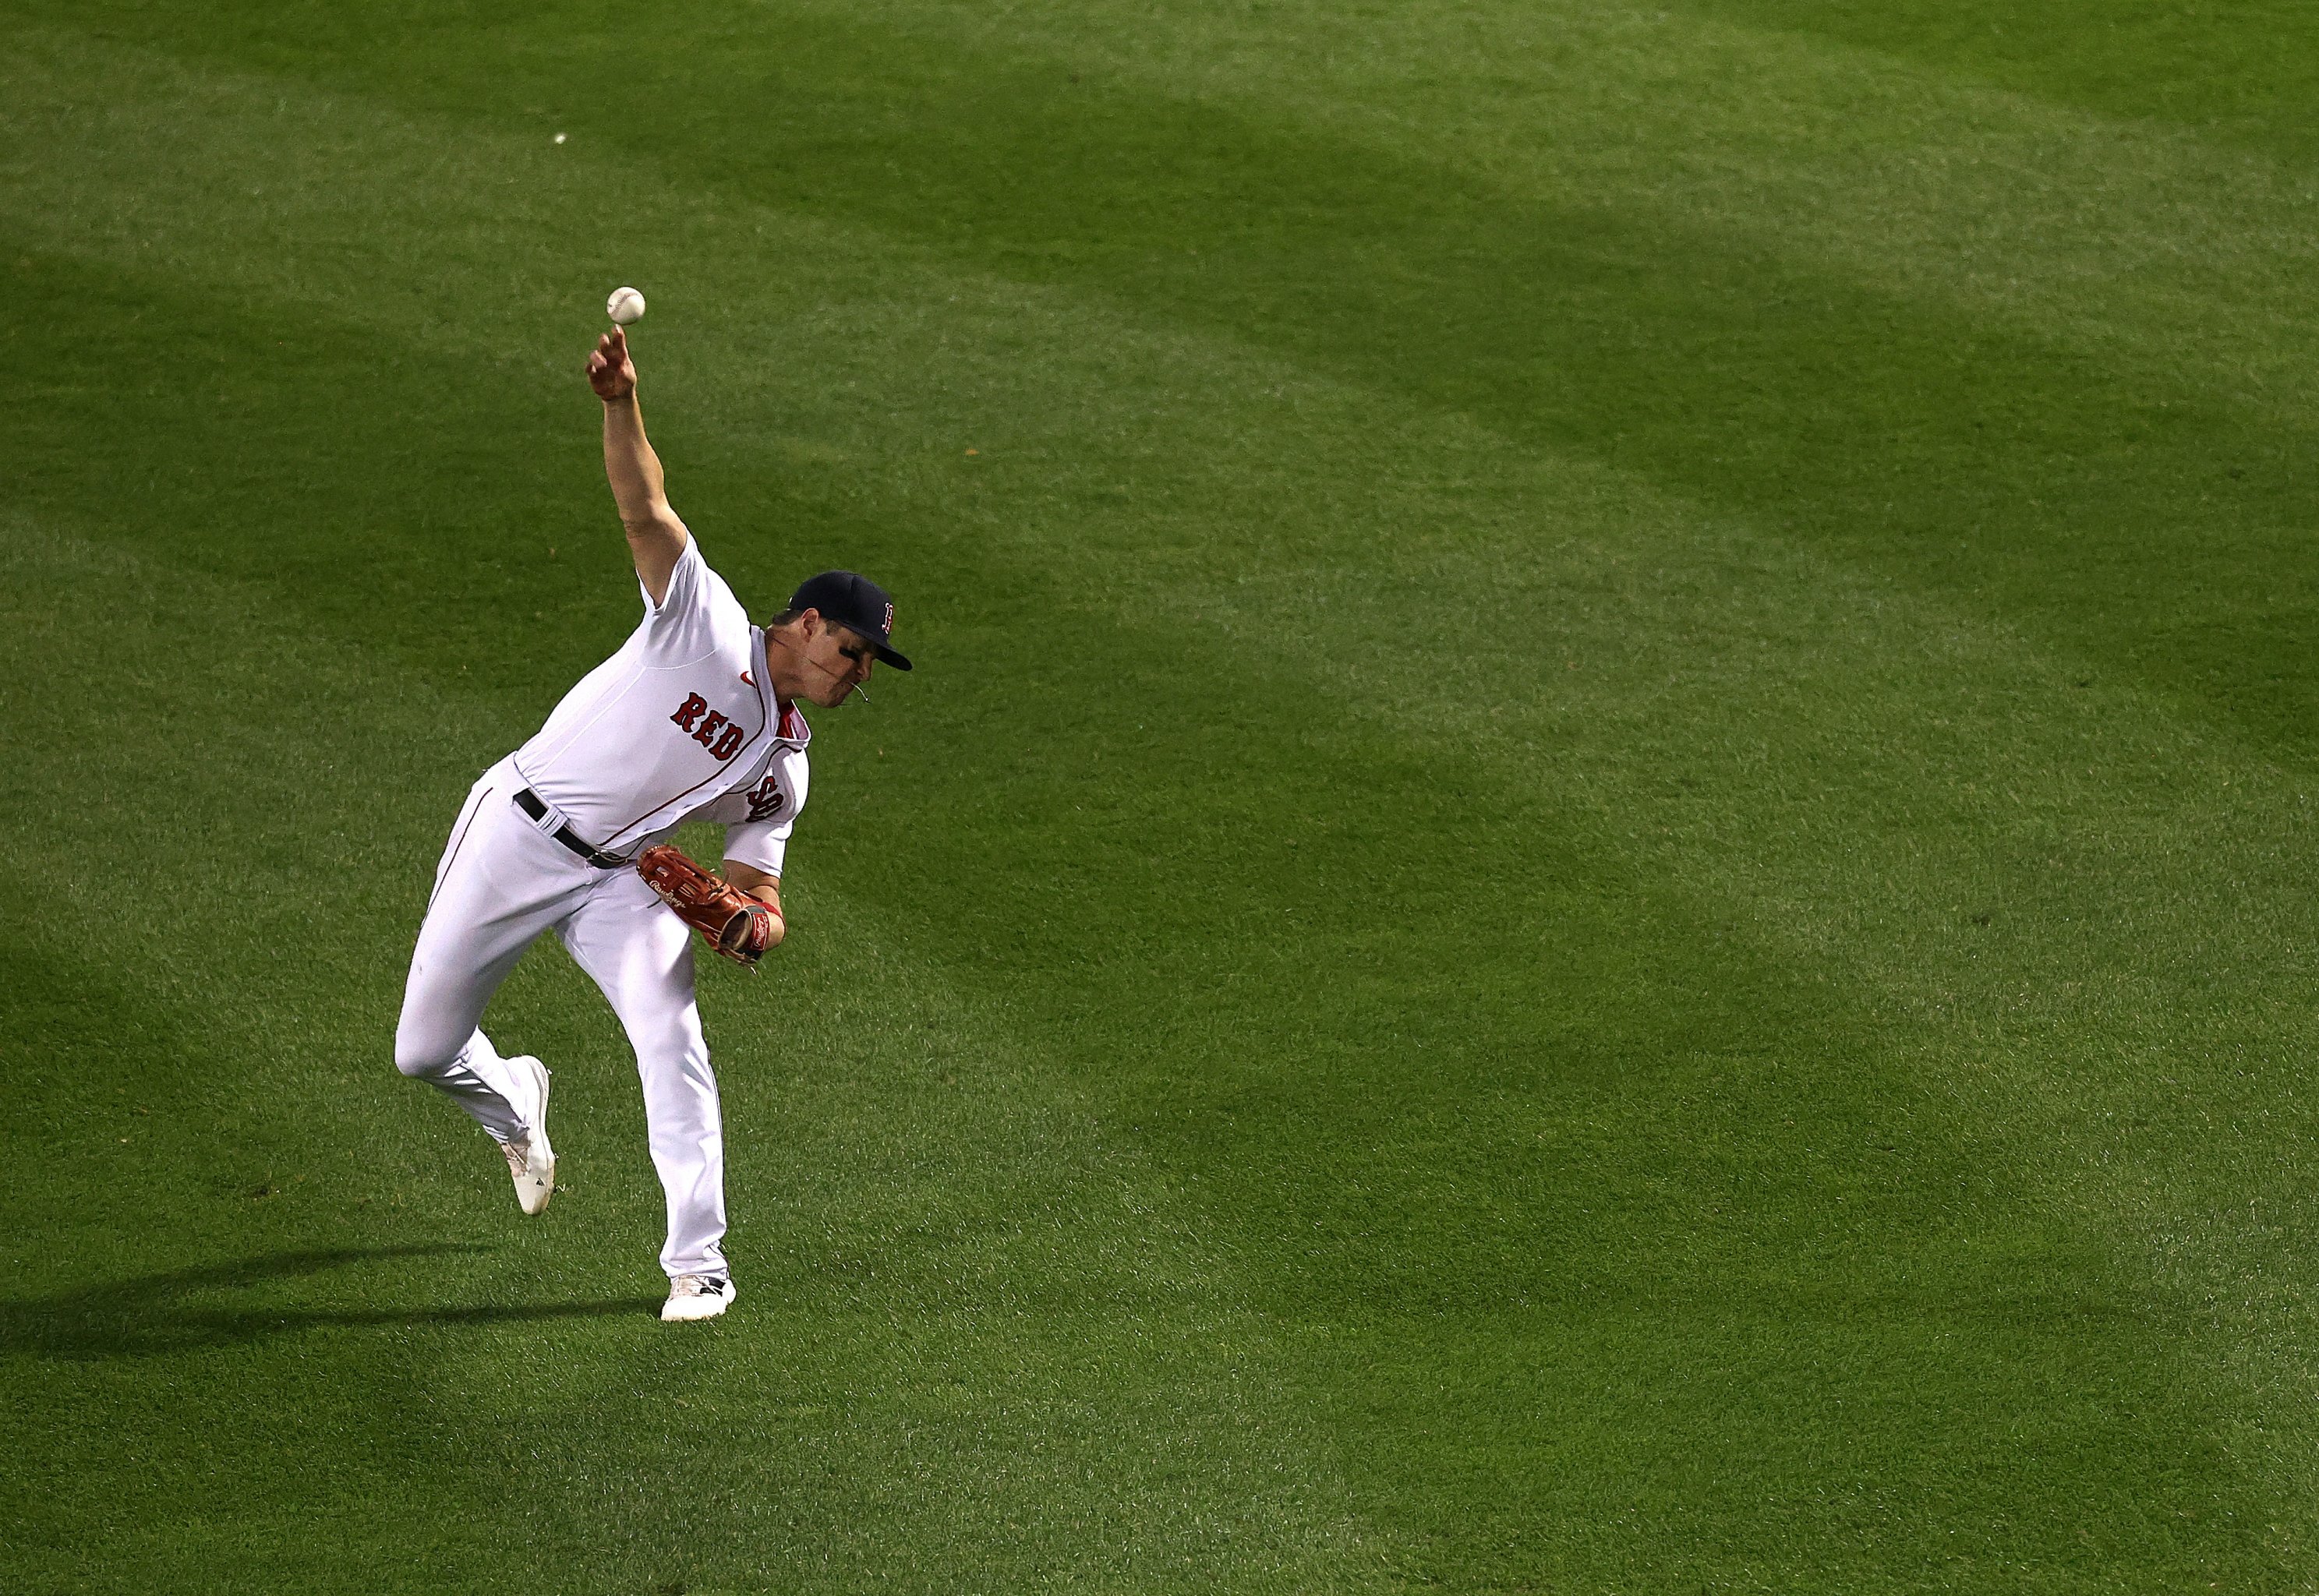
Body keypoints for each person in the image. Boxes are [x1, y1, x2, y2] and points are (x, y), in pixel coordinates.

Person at [392, 326, 910, 1322]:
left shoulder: (784, 766)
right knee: (423, 1052)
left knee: (672, 1038)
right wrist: (619, 401)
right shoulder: (702, 620)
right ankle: (516, 1102)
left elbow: (760, 887)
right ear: (804, 624)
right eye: (850, 651)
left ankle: (699, 1263)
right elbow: (645, 506)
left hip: (625, 881)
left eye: (866, 665)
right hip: (520, 831)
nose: (855, 674)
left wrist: (752, 921)